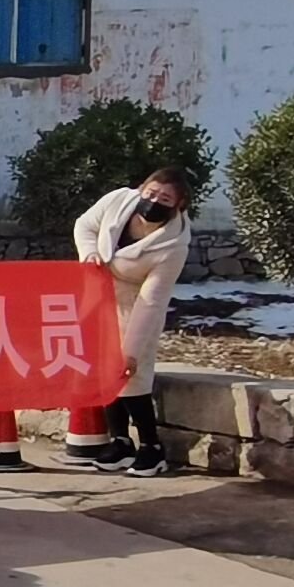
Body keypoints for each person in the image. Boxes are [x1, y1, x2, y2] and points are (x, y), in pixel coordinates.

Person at [74, 168, 193, 477]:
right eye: (151, 193)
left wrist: (131, 351)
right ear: (141, 189)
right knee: (104, 374)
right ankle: (121, 442)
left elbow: (152, 300)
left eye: (164, 199)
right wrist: (89, 254)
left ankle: (151, 447)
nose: (154, 202)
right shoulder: (117, 201)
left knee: (131, 377)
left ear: (178, 205)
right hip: (98, 301)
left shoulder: (173, 245)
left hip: (135, 309)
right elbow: (85, 225)